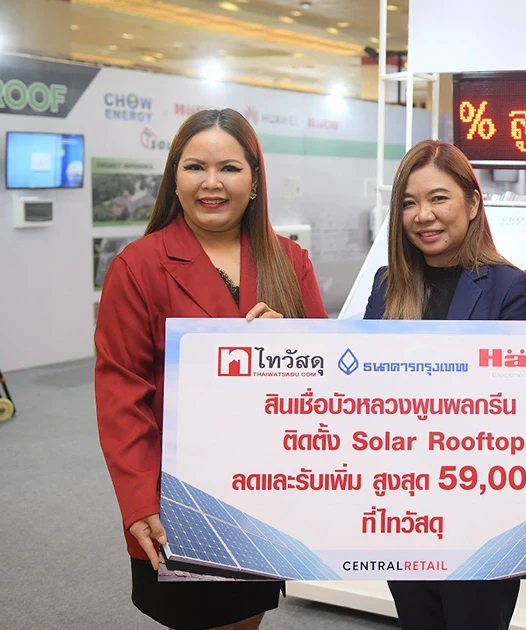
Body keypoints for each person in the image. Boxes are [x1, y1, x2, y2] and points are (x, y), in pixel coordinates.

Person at [95, 108, 327, 630]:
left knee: (245, 617)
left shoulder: (290, 262)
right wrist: (138, 501)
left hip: (266, 492)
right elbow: (120, 396)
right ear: (174, 177)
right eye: (196, 167)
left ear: (254, 180)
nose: (212, 183)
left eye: (230, 168)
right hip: (180, 498)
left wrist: (292, 345)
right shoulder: (138, 266)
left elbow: (327, 382)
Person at [364, 139, 526, 629]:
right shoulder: (387, 285)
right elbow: (357, 389)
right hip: (402, 506)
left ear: (473, 202)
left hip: (479, 512)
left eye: (438, 198)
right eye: (409, 203)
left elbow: (518, 405)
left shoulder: (509, 287)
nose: (423, 216)